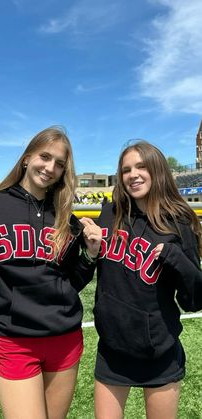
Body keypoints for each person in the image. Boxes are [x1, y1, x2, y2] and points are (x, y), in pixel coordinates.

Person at [0, 126, 102, 419]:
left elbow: (70, 283)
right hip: (16, 342)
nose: (50, 167)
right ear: (27, 158)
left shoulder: (65, 215)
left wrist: (90, 256)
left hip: (65, 340)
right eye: (45, 156)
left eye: (60, 163)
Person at [93, 140, 202, 419]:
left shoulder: (179, 222)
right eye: (126, 169)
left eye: (141, 166)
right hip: (112, 349)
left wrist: (175, 257)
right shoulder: (110, 213)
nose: (133, 174)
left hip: (160, 352)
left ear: (157, 170)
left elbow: (194, 300)